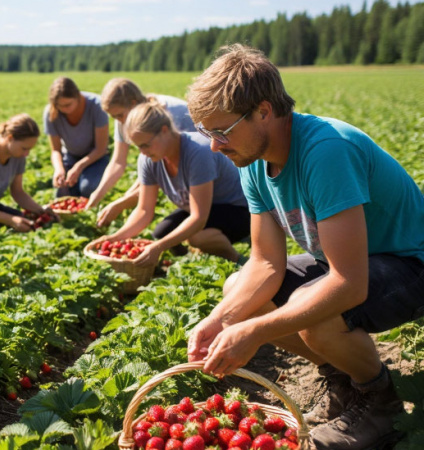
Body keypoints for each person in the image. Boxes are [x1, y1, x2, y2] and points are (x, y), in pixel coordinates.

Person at [185, 44, 424, 450]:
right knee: (238, 293)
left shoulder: (326, 151)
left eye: (221, 131)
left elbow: (349, 285)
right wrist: (220, 319)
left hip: (411, 265)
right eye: (207, 133)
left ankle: (379, 403)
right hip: (357, 264)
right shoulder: (253, 160)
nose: (213, 145)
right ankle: (345, 383)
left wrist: (255, 332)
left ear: (263, 111)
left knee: (316, 310)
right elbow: (263, 263)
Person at [88, 99, 249, 265]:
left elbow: (199, 218)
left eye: (145, 145)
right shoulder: (149, 159)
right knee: (161, 233)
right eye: (138, 147)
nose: (143, 152)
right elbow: (144, 210)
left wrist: (158, 248)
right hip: (203, 209)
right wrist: (115, 238)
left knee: (197, 237)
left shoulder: (197, 152)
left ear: (164, 131)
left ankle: (237, 260)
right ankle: (188, 263)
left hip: (238, 209)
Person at [90, 78, 197, 227]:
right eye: (114, 117)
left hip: (195, 165)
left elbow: (160, 169)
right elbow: (118, 162)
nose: (119, 121)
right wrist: (96, 196)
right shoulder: (124, 119)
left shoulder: (165, 116)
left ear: (133, 104)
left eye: (119, 115)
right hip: (179, 172)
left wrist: (123, 202)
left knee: (193, 221)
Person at [44, 77, 109, 199]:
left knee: (88, 188)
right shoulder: (51, 113)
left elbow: (101, 149)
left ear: (78, 96)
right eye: (60, 106)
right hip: (70, 156)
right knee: (62, 193)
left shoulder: (97, 106)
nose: (64, 109)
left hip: (96, 157)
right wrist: (59, 169)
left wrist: (78, 167)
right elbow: (56, 150)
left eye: (68, 105)